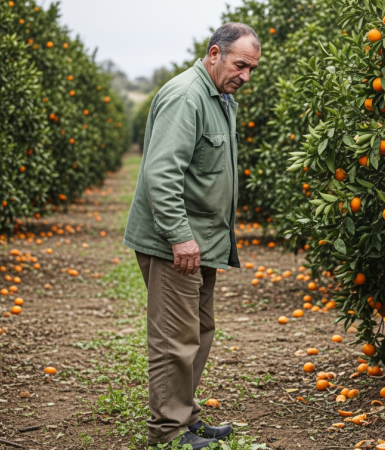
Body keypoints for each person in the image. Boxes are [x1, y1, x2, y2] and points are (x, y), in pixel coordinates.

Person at [122, 23, 260, 450]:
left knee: (198, 330)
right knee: (174, 337)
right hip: (176, 242)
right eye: (240, 65)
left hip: (202, 241)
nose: (245, 76)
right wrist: (180, 237)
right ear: (214, 54)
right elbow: (161, 173)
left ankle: (184, 415)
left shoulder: (218, 96)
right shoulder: (187, 96)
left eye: (252, 68)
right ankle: (168, 430)